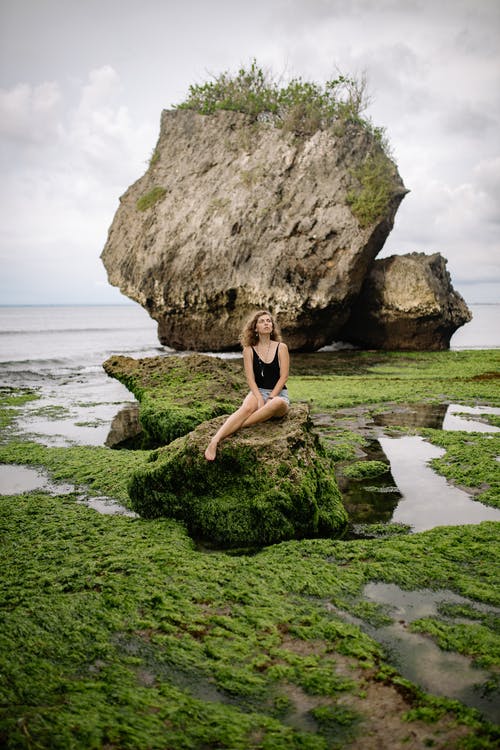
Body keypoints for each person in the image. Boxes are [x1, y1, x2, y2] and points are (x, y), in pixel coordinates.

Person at [204, 310, 290, 461]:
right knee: (246, 408)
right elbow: (250, 379)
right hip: (258, 391)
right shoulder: (248, 350)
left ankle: (237, 427)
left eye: (269, 321)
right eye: (262, 321)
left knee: (276, 403)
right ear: (255, 328)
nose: (266, 323)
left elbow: (284, 377)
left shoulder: (281, 347)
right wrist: (258, 398)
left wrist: (270, 397)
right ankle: (215, 440)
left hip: (278, 394)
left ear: (272, 326)